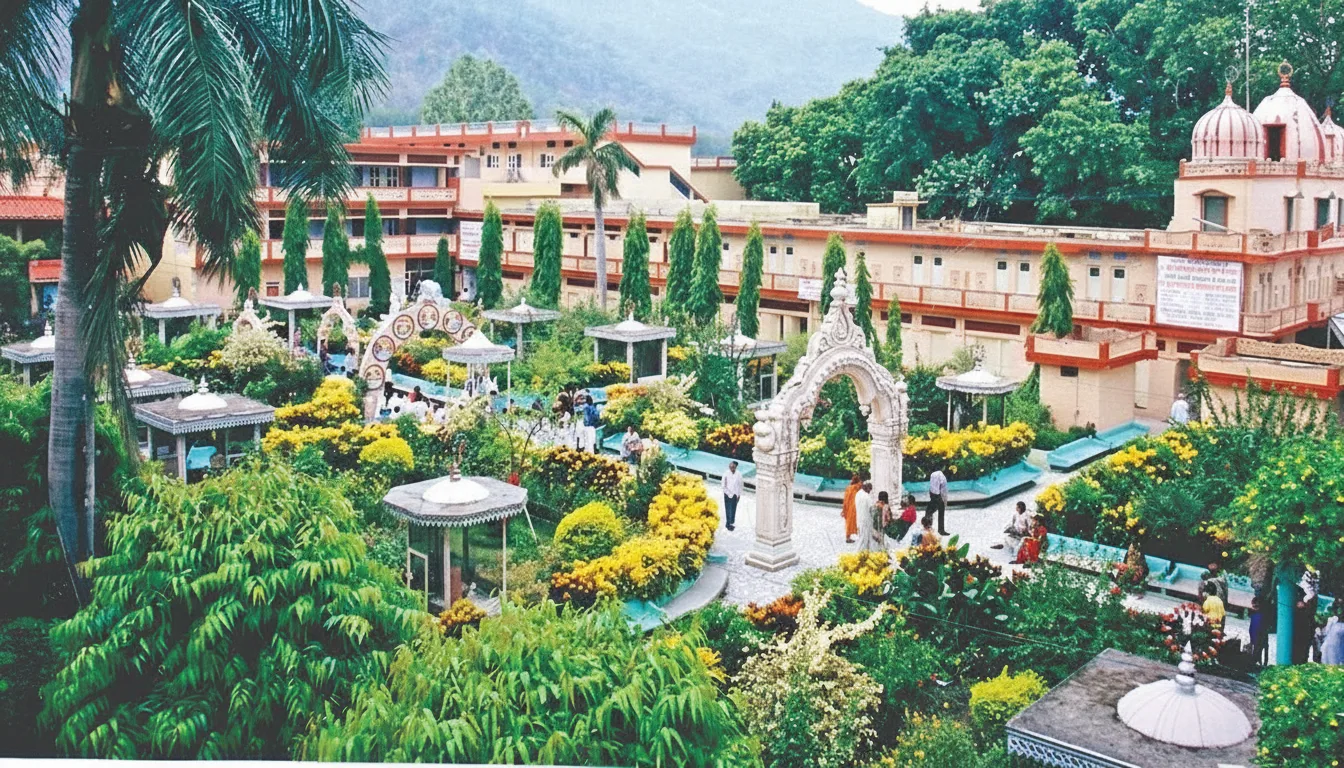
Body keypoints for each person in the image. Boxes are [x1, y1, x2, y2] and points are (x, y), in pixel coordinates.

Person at [854, 481, 876, 551]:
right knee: (863, 540)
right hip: (866, 521)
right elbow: (872, 509)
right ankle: (858, 554)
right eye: (870, 489)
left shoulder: (858, 494)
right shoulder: (866, 496)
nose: (870, 491)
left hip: (859, 520)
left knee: (863, 538)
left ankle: (864, 553)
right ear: (866, 487)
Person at [722, 461, 744, 531]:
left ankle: (732, 522)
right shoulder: (726, 473)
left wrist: (739, 494)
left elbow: (741, 485)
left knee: (733, 509)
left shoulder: (739, 474)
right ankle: (728, 524)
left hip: (735, 495)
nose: (731, 467)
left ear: (736, 467)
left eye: (733, 466)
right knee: (728, 509)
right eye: (730, 466)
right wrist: (728, 493)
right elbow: (723, 485)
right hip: (727, 494)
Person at [927, 468, 949, 536]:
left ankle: (928, 528)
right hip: (938, 496)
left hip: (932, 494)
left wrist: (931, 496)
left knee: (929, 511)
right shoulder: (944, 479)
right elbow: (944, 492)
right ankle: (941, 530)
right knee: (941, 512)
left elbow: (931, 487)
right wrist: (945, 502)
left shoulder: (933, 474)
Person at [841, 474, 862, 544]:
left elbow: (845, 499)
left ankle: (848, 537)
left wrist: (844, 509)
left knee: (848, 523)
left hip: (848, 507)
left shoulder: (848, 488)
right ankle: (861, 537)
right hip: (855, 507)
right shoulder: (858, 487)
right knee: (857, 522)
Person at [1248, 597, 1269, 667]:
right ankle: (1260, 663)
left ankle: (1259, 663)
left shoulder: (1260, 616)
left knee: (1258, 651)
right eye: (1253, 606)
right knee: (1258, 651)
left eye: (1255, 606)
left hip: (1259, 637)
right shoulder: (1255, 615)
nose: (1253, 608)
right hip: (1256, 636)